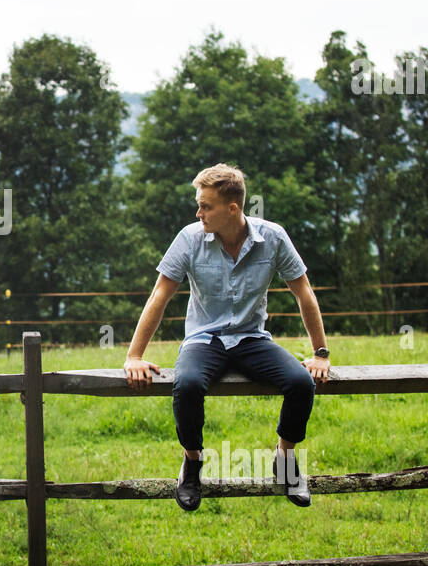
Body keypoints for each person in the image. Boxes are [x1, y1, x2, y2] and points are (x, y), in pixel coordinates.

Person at [122, 163, 330, 511]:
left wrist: (320, 353)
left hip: (252, 339)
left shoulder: (273, 237)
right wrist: (133, 356)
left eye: (206, 206)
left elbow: (304, 293)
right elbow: (160, 295)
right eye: (199, 204)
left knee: (300, 383)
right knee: (187, 386)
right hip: (205, 340)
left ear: (232, 209)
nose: (198, 212)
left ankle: (285, 458)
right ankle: (191, 463)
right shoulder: (189, 238)